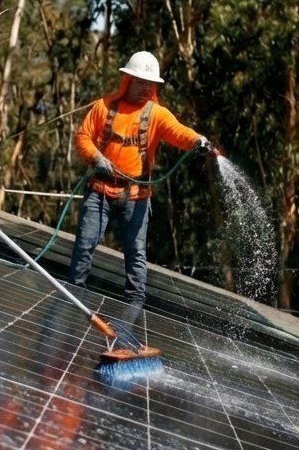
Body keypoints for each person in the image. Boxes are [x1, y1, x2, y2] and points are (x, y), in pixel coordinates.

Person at [69, 51, 213, 306]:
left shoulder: (156, 114)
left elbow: (178, 132)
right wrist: (96, 157)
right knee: (85, 243)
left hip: (136, 196)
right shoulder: (104, 106)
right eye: (140, 82)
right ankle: (73, 294)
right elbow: (83, 136)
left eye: (150, 84)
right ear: (127, 80)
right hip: (100, 190)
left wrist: (197, 140)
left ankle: (135, 305)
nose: (146, 88)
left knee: (136, 253)